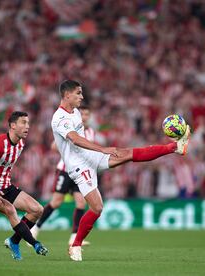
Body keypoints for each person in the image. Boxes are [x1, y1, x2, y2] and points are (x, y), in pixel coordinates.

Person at [51, 80, 190, 261]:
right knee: (97, 207)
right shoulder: (59, 118)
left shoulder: (76, 112)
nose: (82, 96)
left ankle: (175, 147)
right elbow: (75, 139)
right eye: (78, 93)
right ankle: (75, 245)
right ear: (67, 95)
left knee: (127, 153)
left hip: (90, 156)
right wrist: (103, 149)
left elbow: (82, 139)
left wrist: (99, 151)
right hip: (79, 166)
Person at [0, 111, 48, 260]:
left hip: (5, 186)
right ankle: (35, 244)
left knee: (37, 209)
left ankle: (13, 241)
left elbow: (4, 167)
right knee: (10, 209)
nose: (28, 126)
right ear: (13, 126)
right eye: (23, 123)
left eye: (28, 123)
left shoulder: (20, 143)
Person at [32, 105, 94, 246]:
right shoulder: (70, 128)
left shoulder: (90, 132)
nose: (84, 117)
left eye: (86, 114)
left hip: (80, 172)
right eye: (82, 114)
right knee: (56, 202)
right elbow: (54, 146)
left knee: (80, 202)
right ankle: (36, 227)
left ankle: (74, 236)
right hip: (65, 171)